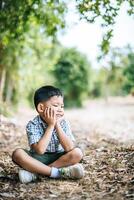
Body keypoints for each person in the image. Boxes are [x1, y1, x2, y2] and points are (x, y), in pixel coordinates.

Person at [12, 85, 84, 183]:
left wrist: (56, 124)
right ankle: (58, 173)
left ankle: (36, 173)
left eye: (62, 106)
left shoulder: (64, 123)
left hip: (60, 159)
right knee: (17, 154)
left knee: (77, 153)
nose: (60, 109)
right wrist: (51, 125)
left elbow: (69, 148)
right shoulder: (33, 124)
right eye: (55, 105)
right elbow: (40, 150)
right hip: (38, 159)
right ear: (41, 108)